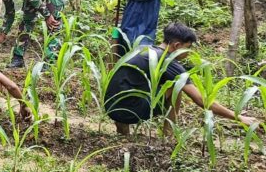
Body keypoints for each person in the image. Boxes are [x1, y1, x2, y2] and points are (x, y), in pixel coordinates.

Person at [104, 22, 258, 135]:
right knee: (176, 87)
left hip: (111, 106)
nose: (189, 53)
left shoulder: (142, 49)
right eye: (188, 47)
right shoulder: (169, 61)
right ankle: (169, 134)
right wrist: (237, 117)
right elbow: (201, 100)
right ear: (177, 45)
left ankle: (122, 130)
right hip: (130, 111)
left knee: (135, 85)